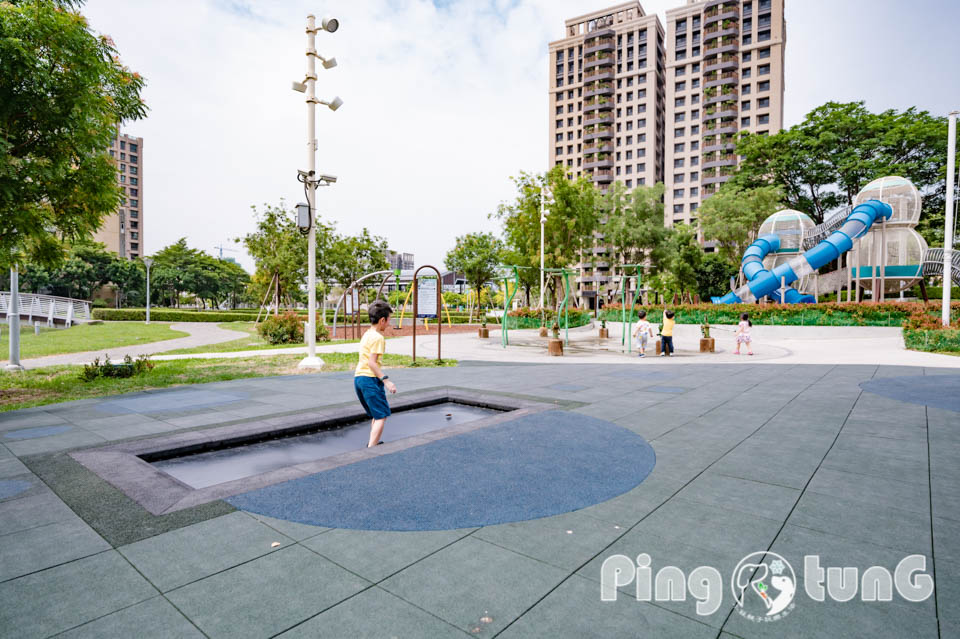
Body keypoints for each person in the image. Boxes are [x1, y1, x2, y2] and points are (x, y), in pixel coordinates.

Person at [354, 300, 398, 447]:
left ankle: (373, 443)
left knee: (376, 414)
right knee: (381, 416)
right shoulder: (378, 338)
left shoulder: (367, 334)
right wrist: (386, 381)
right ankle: (371, 450)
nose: (389, 323)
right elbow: (372, 363)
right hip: (370, 380)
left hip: (359, 379)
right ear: (382, 320)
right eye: (389, 320)